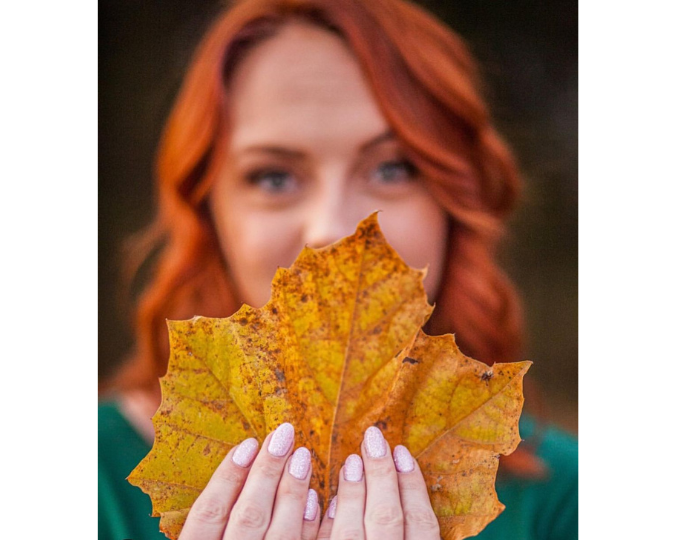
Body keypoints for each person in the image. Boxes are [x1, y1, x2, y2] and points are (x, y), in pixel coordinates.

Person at [99, 0, 578, 539]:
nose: (333, 231)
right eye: (274, 177)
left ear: (456, 201)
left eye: (393, 168)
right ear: (208, 211)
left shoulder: (577, 502)